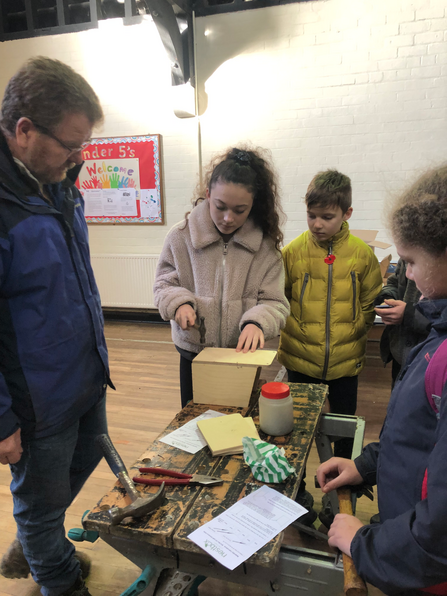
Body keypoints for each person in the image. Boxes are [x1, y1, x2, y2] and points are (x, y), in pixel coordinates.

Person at [0, 57, 112, 596]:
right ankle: (58, 577)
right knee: (40, 504)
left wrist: (67, 175)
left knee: (84, 458)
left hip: (84, 375)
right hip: (36, 398)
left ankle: (37, 536)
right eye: (70, 145)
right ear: (24, 132)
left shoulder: (59, 182)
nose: (79, 157)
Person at [316, 164, 447, 595]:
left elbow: (438, 536)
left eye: (410, 262)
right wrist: (366, 465)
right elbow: (418, 440)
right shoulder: (437, 332)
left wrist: (363, 543)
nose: (405, 275)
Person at [277, 170, 382, 524]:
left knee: (342, 436)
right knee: (295, 434)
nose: (318, 224)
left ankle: (338, 501)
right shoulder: (292, 253)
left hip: (344, 364)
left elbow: (370, 301)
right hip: (299, 359)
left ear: (347, 214)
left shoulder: (362, 255)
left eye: (327, 217)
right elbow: (280, 299)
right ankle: (297, 492)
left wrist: (356, 330)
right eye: (312, 216)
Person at [154, 146, 289, 408]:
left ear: (253, 205)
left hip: (239, 356)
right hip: (193, 353)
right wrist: (180, 304)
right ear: (207, 195)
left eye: (240, 210)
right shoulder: (180, 237)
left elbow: (276, 303)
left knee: (237, 421)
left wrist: (257, 323)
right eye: (220, 207)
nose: (228, 218)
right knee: (193, 421)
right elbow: (163, 284)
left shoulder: (265, 247)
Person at [374, 258, 431, 387]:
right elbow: (395, 281)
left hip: (430, 359)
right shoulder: (411, 245)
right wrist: (387, 298)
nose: (409, 273)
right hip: (402, 351)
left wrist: (409, 314)